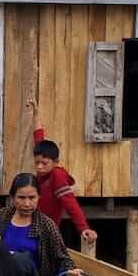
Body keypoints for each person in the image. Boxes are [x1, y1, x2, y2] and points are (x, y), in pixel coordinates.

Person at [28, 100, 98, 245]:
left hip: (47, 227)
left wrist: (83, 228)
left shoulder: (57, 176)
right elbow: (38, 137)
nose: (39, 167)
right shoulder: (43, 170)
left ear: (56, 162)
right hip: (33, 220)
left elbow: (70, 203)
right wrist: (36, 113)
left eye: (44, 164)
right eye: (37, 163)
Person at [0, 173, 81, 276]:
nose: (27, 204)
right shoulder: (0, 218)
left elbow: (62, 257)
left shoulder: (46, 225)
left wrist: (70, 271)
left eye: (32, 198)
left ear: (39, 197)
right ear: (12, 197)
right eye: (21, 198)